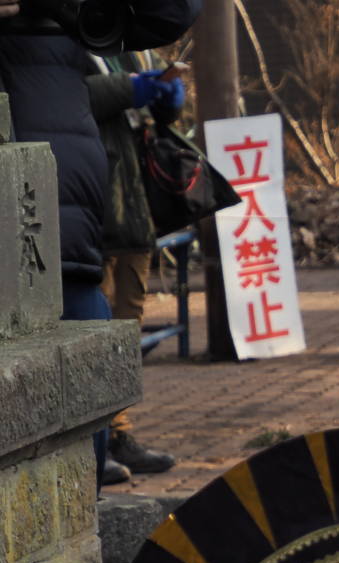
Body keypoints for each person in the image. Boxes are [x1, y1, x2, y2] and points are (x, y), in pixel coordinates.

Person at [0, 0, 200, 483]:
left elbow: (173, 13)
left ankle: (110, 443)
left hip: (81, 233)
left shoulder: (71, 22)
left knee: (91, 396)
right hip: (21, 242)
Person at [85, 51, 184, 482]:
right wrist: (132, 87)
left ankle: (120, 432)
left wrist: (168, 97)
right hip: (90, 208)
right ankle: (93, 439)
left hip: (133, 210)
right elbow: (70, 94)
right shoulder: (54, 31)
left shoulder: (126, 43)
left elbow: (154, 113)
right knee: (92, 329)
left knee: (127, 327)